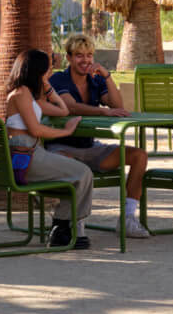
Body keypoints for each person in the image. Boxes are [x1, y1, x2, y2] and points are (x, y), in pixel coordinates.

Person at [49, 35, 152, 240]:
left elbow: (117, 106)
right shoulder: (58, 79)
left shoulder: (95, 80)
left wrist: (107, 76)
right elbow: (70, 107)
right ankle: (74, 221)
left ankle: (128, 219)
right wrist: (103, 112)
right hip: (62, 148)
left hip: (90, 148)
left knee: (139, 155)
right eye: (79, 55)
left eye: (89, 55)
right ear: (69, 57)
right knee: (75, 167)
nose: (85, 60)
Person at [3, 48, 94, 250]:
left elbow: (64, 110)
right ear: (37, 70)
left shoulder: (30, 97)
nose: (49, 74)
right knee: (83, 173)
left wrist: (48, 87)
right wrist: (67, 132)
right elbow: (36, 129)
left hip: (31, 153)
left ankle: (62, 228)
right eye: (47, 71)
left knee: (77, 174)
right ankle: (62, 228)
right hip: (27, 156)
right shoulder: (21, 94)